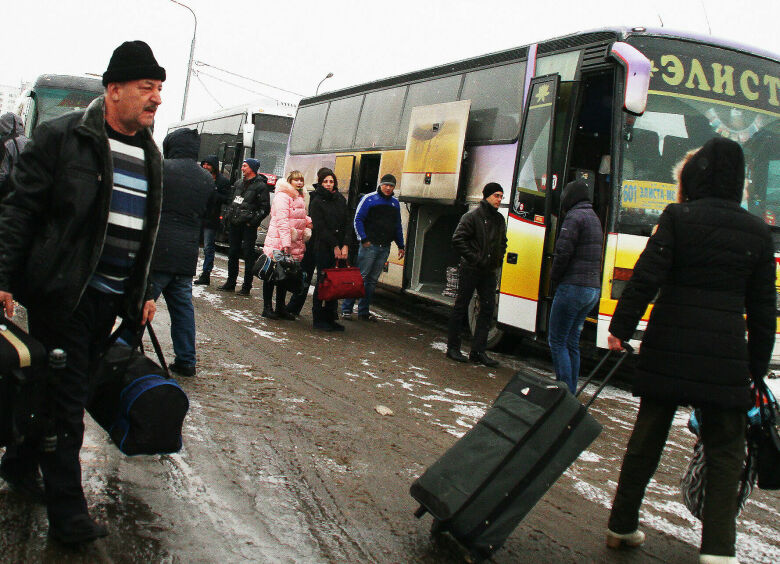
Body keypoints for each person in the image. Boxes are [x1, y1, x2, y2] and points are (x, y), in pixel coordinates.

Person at [0, 40, 165, 544]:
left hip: (112, 302)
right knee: (69, 404)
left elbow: (144, 232)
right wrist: (3, 280)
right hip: (63, 294)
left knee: (61, 391)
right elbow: (19, 212)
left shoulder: (149, 153)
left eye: (159, 89)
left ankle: (20, 462)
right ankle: (68, 518)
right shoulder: (60, 139)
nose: (156, 98)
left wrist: (144, 291)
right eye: (146, 88)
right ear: (113, 90)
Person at [604, 138, 775, 563]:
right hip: (725, 354)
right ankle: (718, 550)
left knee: (647, 439)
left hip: (669, 346)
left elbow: (646, 277)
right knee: (725, 450)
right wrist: (755, 367)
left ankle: (621, 526)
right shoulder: (757, 231)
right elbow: (762, 309)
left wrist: (620, 328)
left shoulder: (678, 217)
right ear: (740, 181)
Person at [148, 128, 212, 376]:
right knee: (183, 309)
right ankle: (186, 360)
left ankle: (123, 348)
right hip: (186, 255)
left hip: (158, 251)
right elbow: (206, 213)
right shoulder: (206, 178)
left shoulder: (161, 168)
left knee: (141, 303)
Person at [547, 180, 602, 393]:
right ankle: (571, 390)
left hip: (573, 287)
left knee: (557, 341)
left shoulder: (574, 217)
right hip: (591, 290)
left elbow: (563, 252)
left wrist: (554, 277)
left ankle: (565, 392)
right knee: (572, 342)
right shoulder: (594, 218)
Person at [446, 182, 507, 367]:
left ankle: (478, 351)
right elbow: (458, 239)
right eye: (496, 195)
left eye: (501, 196)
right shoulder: (472, 216)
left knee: (487, 308)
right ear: (486, 195)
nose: (499, 199)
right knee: (461, 305)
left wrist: (497, 259)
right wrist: (475, 258)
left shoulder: (498, 219)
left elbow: (502, 242)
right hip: (471, 268)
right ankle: (453, 348)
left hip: (488, 271)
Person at [341, 173, 405, 321]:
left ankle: (363, 311)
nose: (388, 188)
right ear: (381, 185)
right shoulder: (369, 199)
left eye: (391, 186)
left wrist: (401, 245)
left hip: (384, 247)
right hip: (370, 245)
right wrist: (363, 238)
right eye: (386, 185)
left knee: (372, 281)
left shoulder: (395, 204)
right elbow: (358, 219)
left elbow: (397, 226)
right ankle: (346, 308)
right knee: (361, 277)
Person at [261, 170, 311, 320]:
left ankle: (280, 308)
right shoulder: (283, 196)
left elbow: (299, 216)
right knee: (271, 274)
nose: (299, 183)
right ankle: (267, 308)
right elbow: (282, 221)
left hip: (291, 242)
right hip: (279, 242)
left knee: (284, 275)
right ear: (289, 181)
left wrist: (308, 223)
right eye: (296, 180)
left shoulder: (299, 197)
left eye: (301, 180)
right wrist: (286, 243)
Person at [218, 158, 270, 295]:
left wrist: (251, 222)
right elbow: (231, 201)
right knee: (233, 253)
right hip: (235, 224)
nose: (242, 168)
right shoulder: (238, 183)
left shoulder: (261, 186)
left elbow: (265, 208)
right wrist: (229, 217)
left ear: (252, 168)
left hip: (248, 227)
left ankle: (246, 286)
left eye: (245, 166)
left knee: (248, 255)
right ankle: (231, 282)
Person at [307, 167, 349, 331]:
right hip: (324, 246)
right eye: (325, 181)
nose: (328, 184)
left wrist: (345, 244)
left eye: (331, 181)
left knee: (336, 283)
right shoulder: (317, 201)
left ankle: (331, 317)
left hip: (340, 247)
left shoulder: (340, 199)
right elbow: (320, 227)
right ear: (320, 182)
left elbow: (347, 222)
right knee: (323, 282)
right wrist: (334, 245)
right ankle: (318, 317)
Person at [286, 168, 325, 316]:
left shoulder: (306, 196)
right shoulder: (310, 197)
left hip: (313, 242)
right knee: (300, 275)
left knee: (304, 276)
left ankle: (293, 307)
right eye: (324, 180)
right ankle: (291, 307)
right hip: (309, 242)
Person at [194, 155, 231, 286]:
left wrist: (213, 192)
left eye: (208, 165)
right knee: (193, 245)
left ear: (214, 167)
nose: (205, 167)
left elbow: (227, 199)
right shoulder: (198, 178)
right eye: (204, 164)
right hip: (198, 216)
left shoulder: (222, 182)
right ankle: (190, 270)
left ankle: (206, 274)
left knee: (208, 247)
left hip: (211, 219)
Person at [0, 112, 29, 198]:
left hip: (8, 192)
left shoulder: (7, 143)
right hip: (26, 191)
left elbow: (2, 173)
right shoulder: (29, 142)